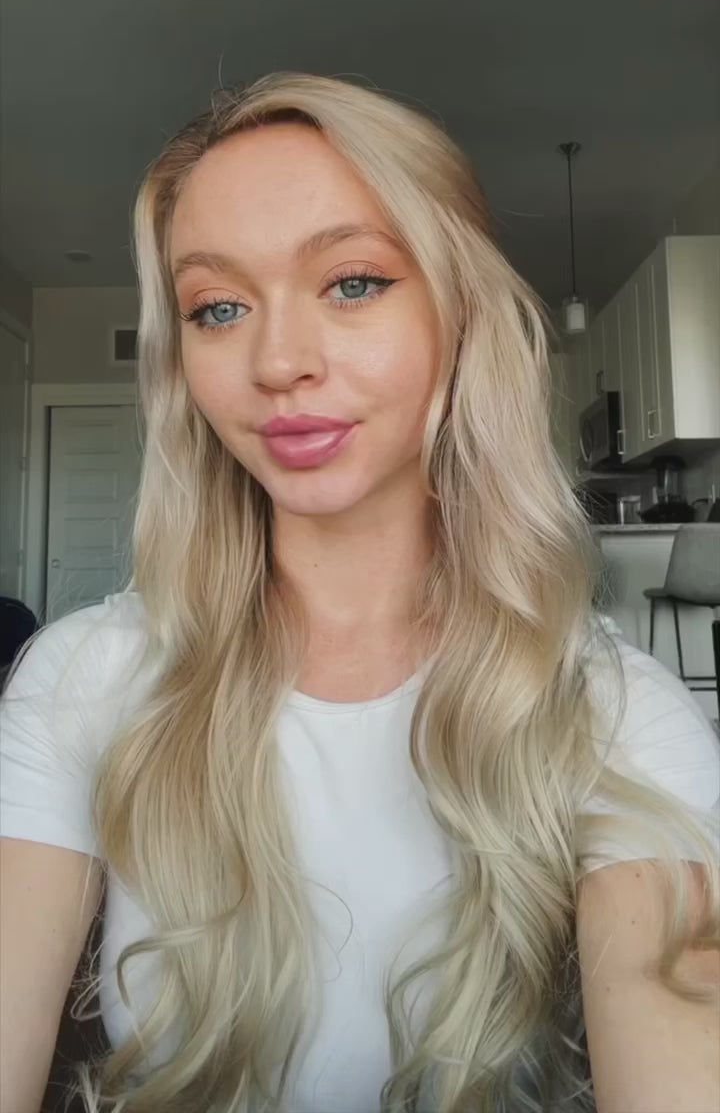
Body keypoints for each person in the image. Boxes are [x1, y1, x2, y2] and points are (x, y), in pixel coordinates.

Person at [1, 72, 718, 1113]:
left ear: (458, 315)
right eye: (219, 307)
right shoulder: (82, 681)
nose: (277, 361)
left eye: (351, 283)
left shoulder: (618, 717)